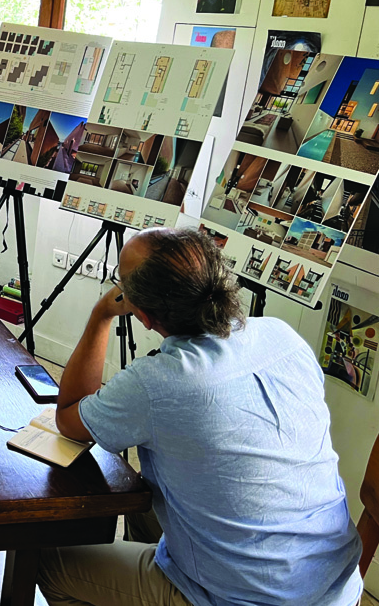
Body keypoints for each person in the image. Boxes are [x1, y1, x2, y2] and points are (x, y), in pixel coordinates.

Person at [38, 227, 363, 606]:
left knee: (49, 563)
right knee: (147, 504)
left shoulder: (156, 382)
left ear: (142, 314)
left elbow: (69, 419)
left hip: (242, 599)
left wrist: (100, 315)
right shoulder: (282, 336)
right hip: (337, 588)